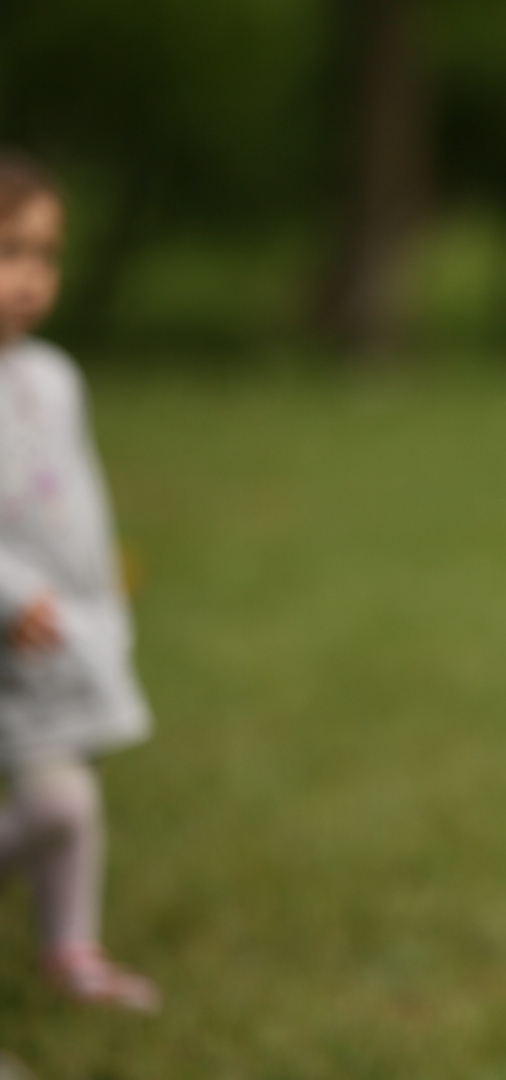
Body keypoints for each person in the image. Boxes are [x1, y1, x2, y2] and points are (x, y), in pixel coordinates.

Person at [0, 149, 159, 1013]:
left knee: (70, 795)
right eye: (7, 252)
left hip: (56, 638)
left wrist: (99, 597)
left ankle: (71, 948)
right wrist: (15, 597)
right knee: (59, 804)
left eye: (44, 254)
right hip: (14, 627)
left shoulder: (52, 377)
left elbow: (80, 497)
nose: (29, 276)